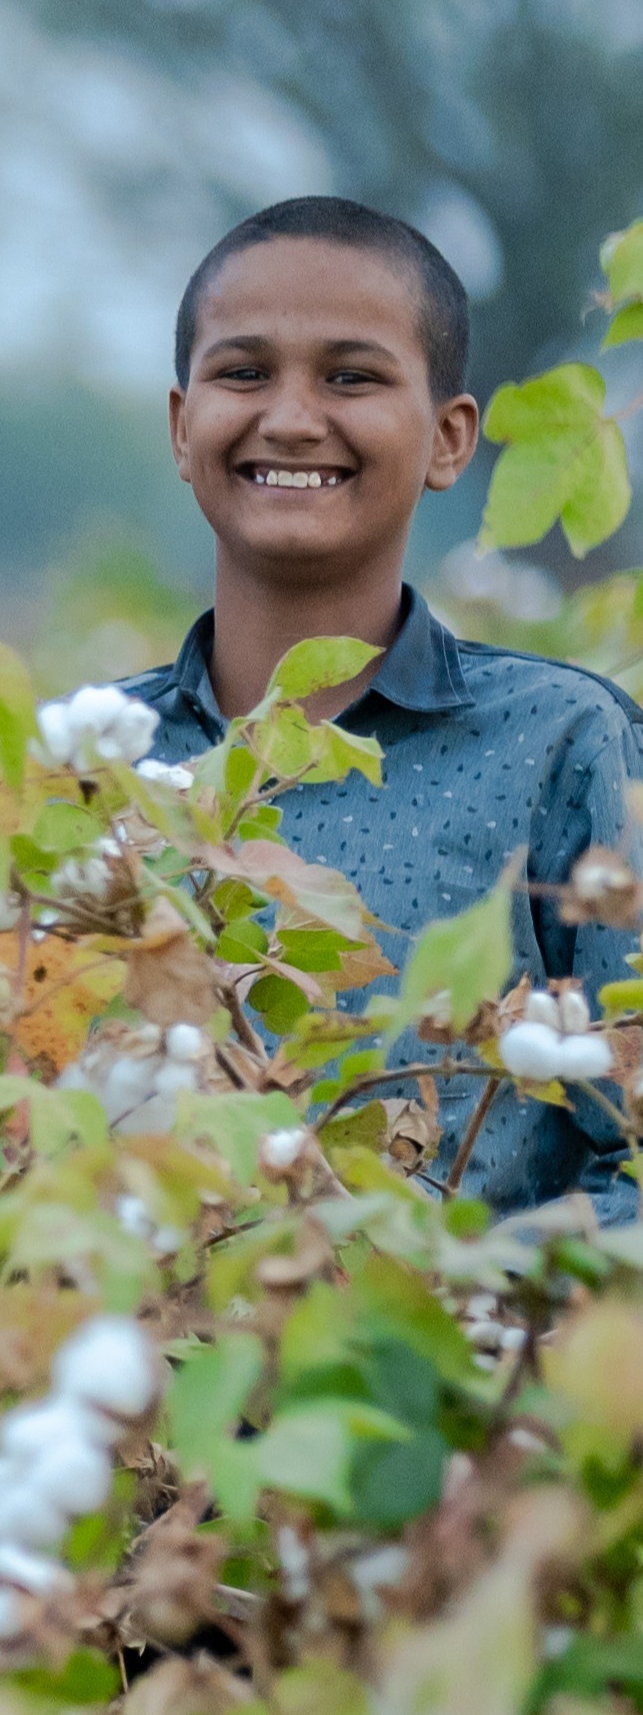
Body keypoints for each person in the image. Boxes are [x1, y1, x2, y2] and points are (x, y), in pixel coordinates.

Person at [121, 195, 639, 1220]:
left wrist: (447, 1299)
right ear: (181, 429)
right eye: (242, 371)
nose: (290, 416)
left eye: (349, 376)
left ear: (449, 438)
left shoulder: (565, 746)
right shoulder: (85, 761)